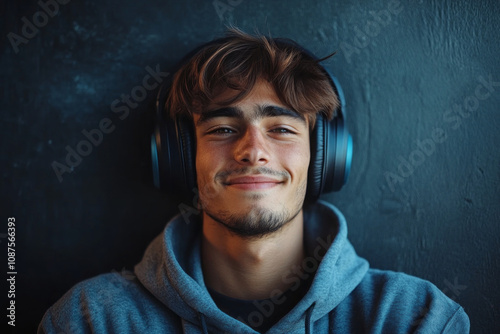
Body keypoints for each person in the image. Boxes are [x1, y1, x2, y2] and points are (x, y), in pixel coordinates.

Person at [39, 28, 470, 334]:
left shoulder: (412, 318)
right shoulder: (92, 321)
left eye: (281, 129)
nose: (253, 150)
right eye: (222, 129)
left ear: (324, 159)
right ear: (178, 159)